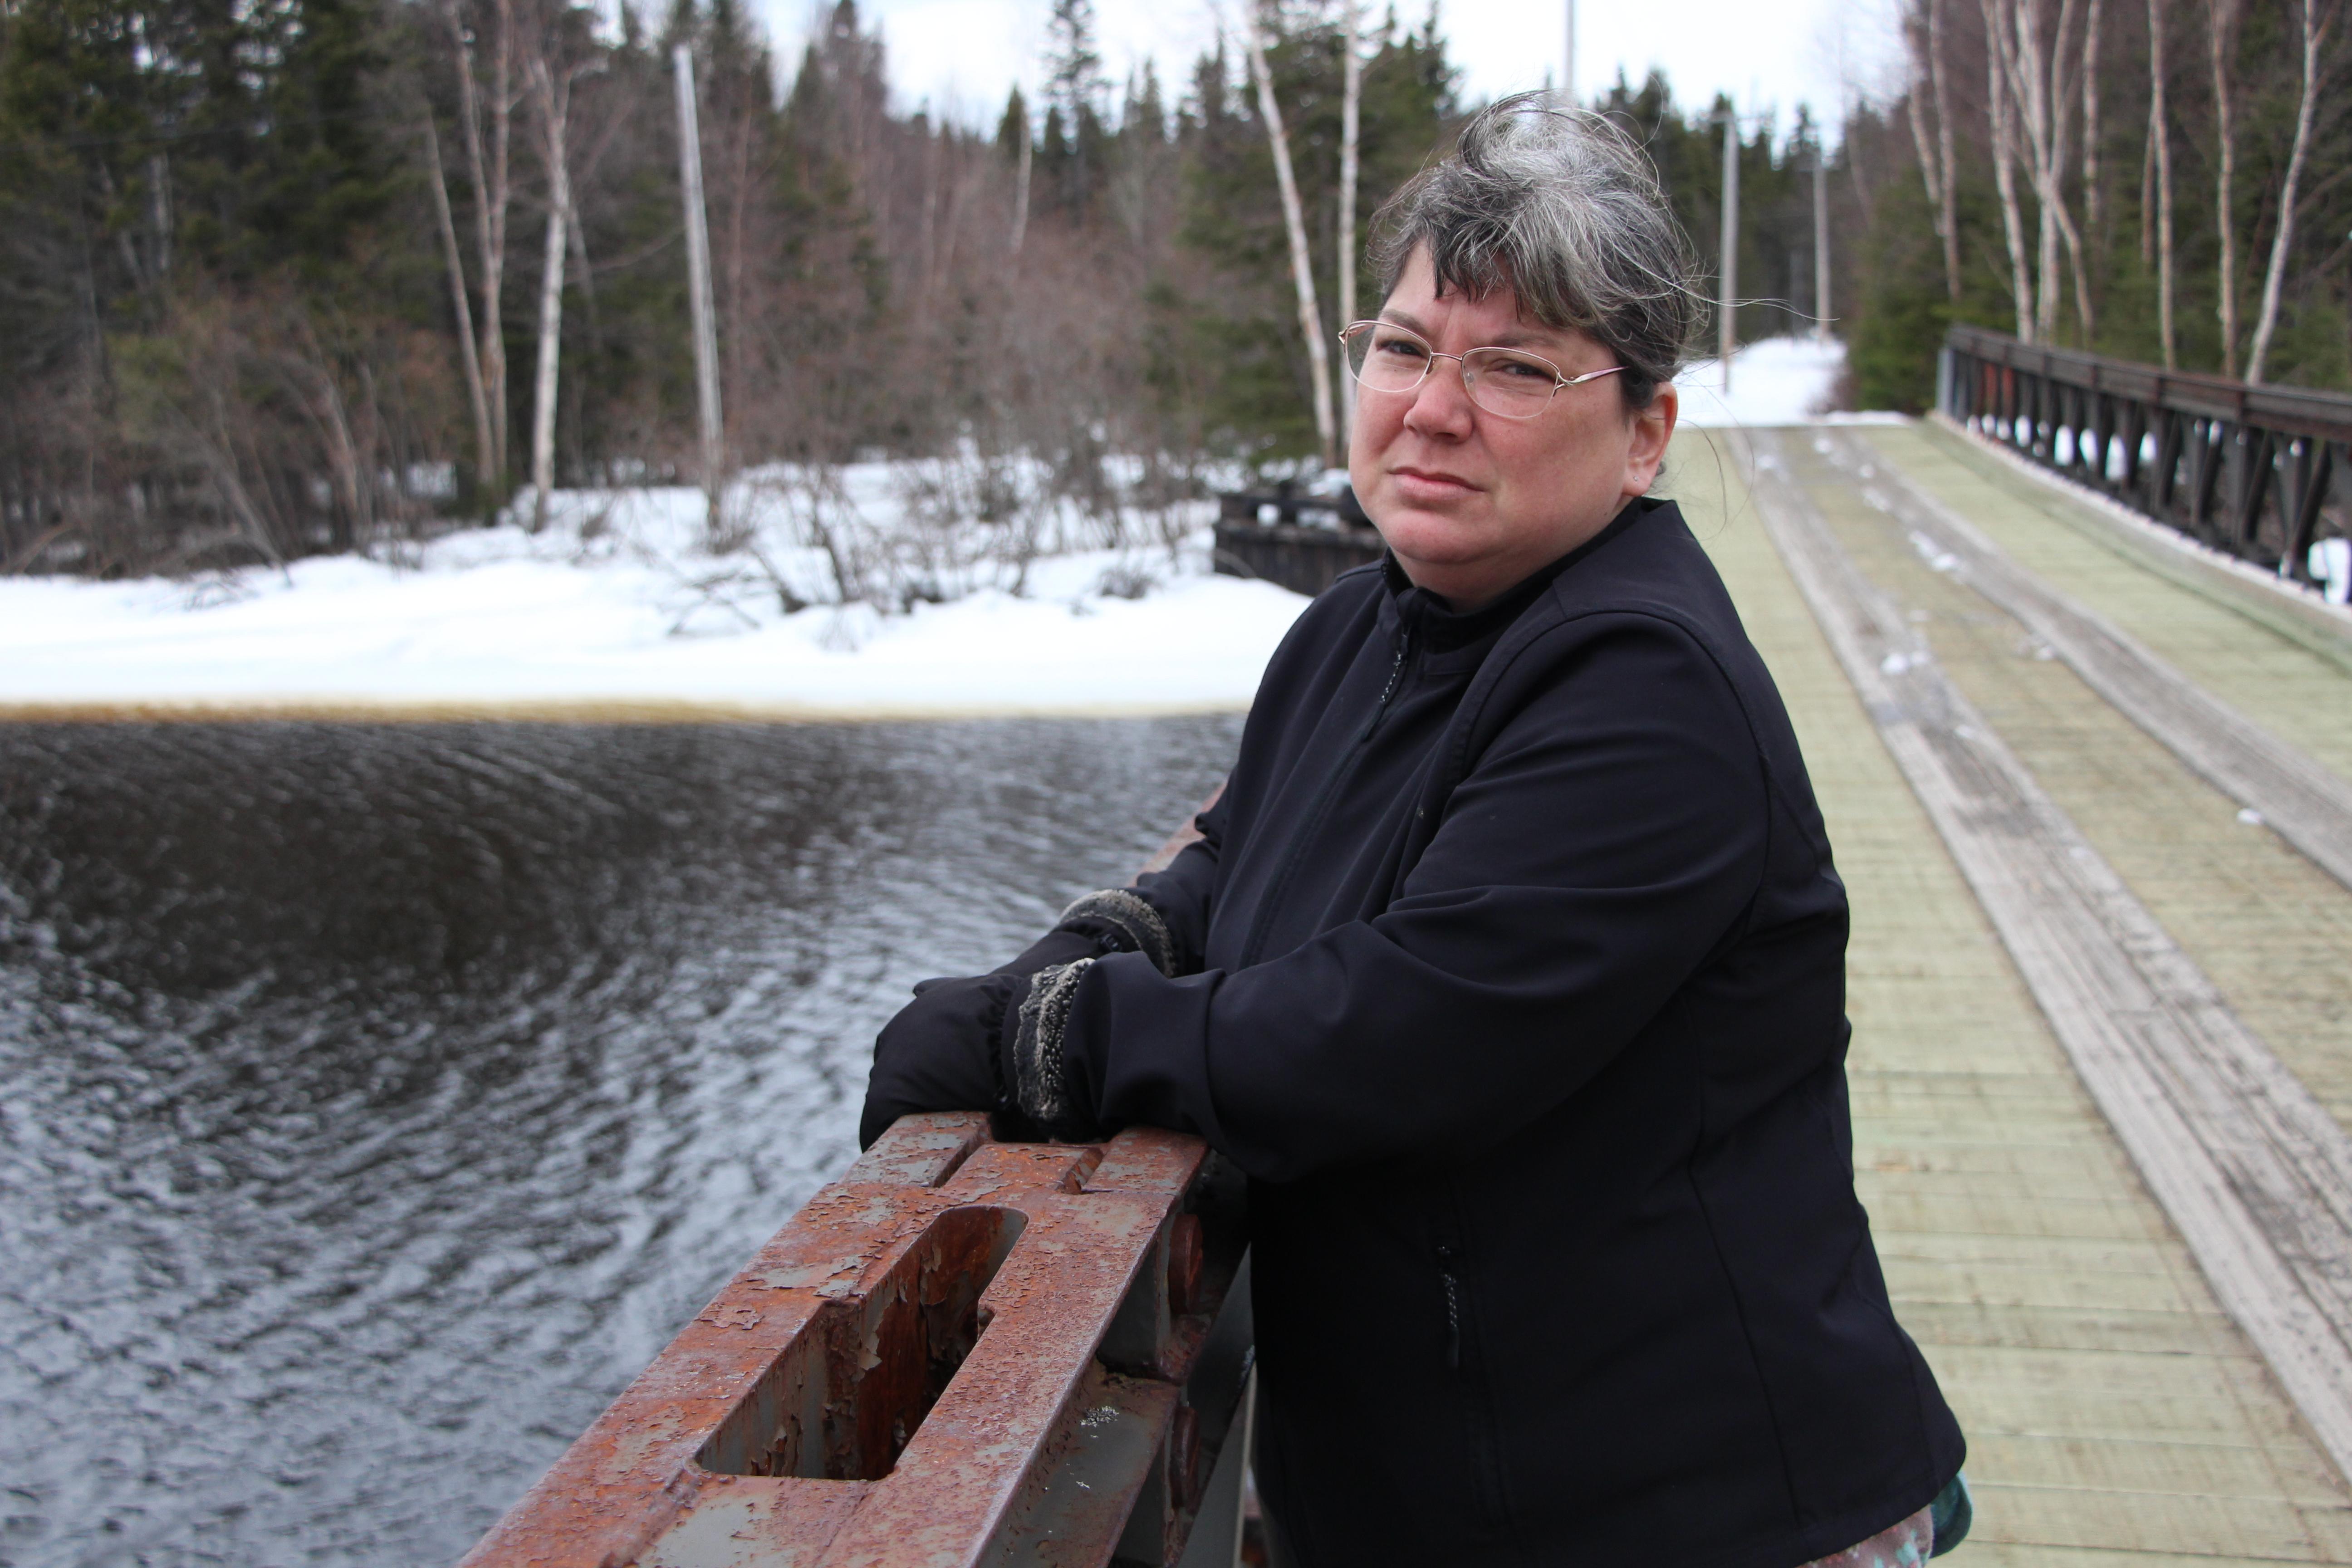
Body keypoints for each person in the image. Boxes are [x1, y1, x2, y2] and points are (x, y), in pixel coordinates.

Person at [859, 94, 1966, 1568]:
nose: (1433, 407)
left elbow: (1384, 1037)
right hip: (1431, 1501)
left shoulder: (1646, 687)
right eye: (1405, 347)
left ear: (1645, 433)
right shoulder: (1353, 632)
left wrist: (1047, 1045)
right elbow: (1222, 873)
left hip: (1689, 1514)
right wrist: (1065, 967)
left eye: (1513, 366)